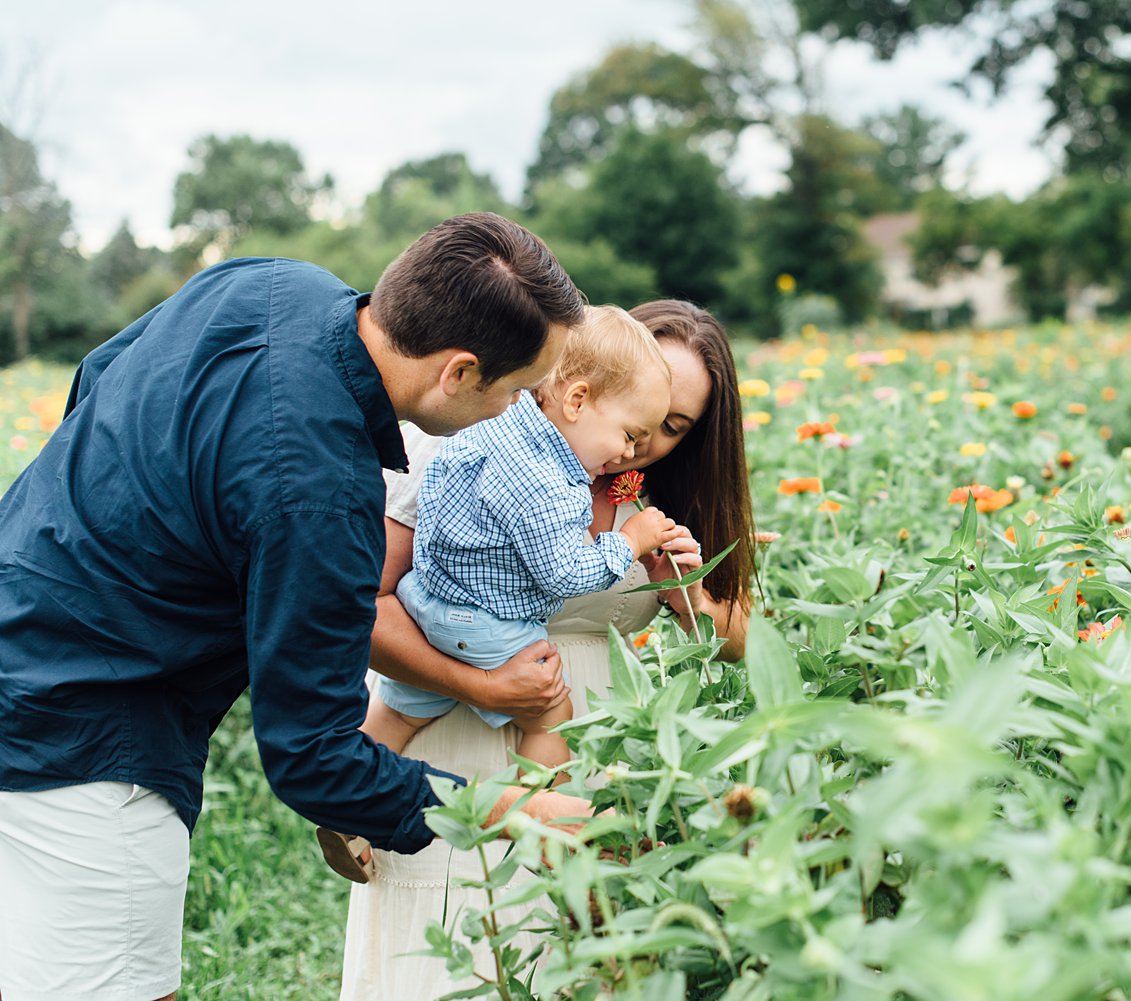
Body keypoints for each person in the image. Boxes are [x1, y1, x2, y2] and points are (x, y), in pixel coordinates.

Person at [0, 212, 588, 1001]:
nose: (515, 414)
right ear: (457, 372)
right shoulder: (324, 498)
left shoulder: (268, 279)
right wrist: (513, 806)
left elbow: (100, 372)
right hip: (86, 733)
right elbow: (312, 757)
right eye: (516, 391)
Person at [339, 300, 756, 1000]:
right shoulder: (483, 436)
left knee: (571, 960)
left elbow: (741, 639)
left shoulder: (654, 495)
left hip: (593, 756)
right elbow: (367, 603)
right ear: (584, 378)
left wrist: (686, 591)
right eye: (642, 412)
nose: (647, 440)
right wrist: (478, 685)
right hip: (455, 731)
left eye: (675, 426)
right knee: (452, 951)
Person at [318, 306, 690, 881]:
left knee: (398, 707)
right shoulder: (553, 479)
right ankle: (539, 816)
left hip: (429, 601)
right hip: (489, 621)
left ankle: (343, 804)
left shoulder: (491, 426)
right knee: (549, 714)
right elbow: (564, 576)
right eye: (630, 434)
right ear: (576, 400)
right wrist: (631, 541)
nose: (628, 453)